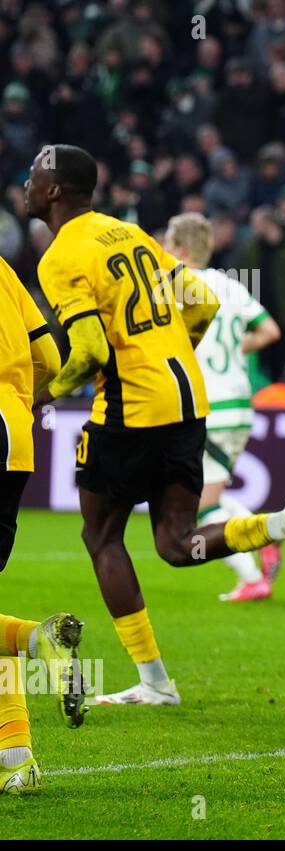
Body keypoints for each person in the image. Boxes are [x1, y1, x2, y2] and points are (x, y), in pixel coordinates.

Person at [25, 144, 285, 707]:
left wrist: (38, 395)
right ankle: (279, 527)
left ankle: (155, 683)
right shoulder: (130, 234)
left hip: (132, 407)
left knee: (101, 537)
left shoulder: (59, 256)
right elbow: (199, 301)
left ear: (54, 191)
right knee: (176, 543)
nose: (25, 184)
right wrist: (172, 350)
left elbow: (89, 351)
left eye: (33, 177)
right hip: (188, 399)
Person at [163, 212, 284, 603]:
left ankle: (255, 566)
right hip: (238, 402)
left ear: (179, 248)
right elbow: (270, 331)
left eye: (167, 243)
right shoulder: (231, 286)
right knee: (204, 491)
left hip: (205, 405)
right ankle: (264, 534)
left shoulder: (174, 286)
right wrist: (236, 348)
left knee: (195, 508)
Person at [0, 255, 84, 794]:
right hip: (15, 442)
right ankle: (17, 758)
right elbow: (50, 356)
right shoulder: (4, 270)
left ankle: (35, 639)